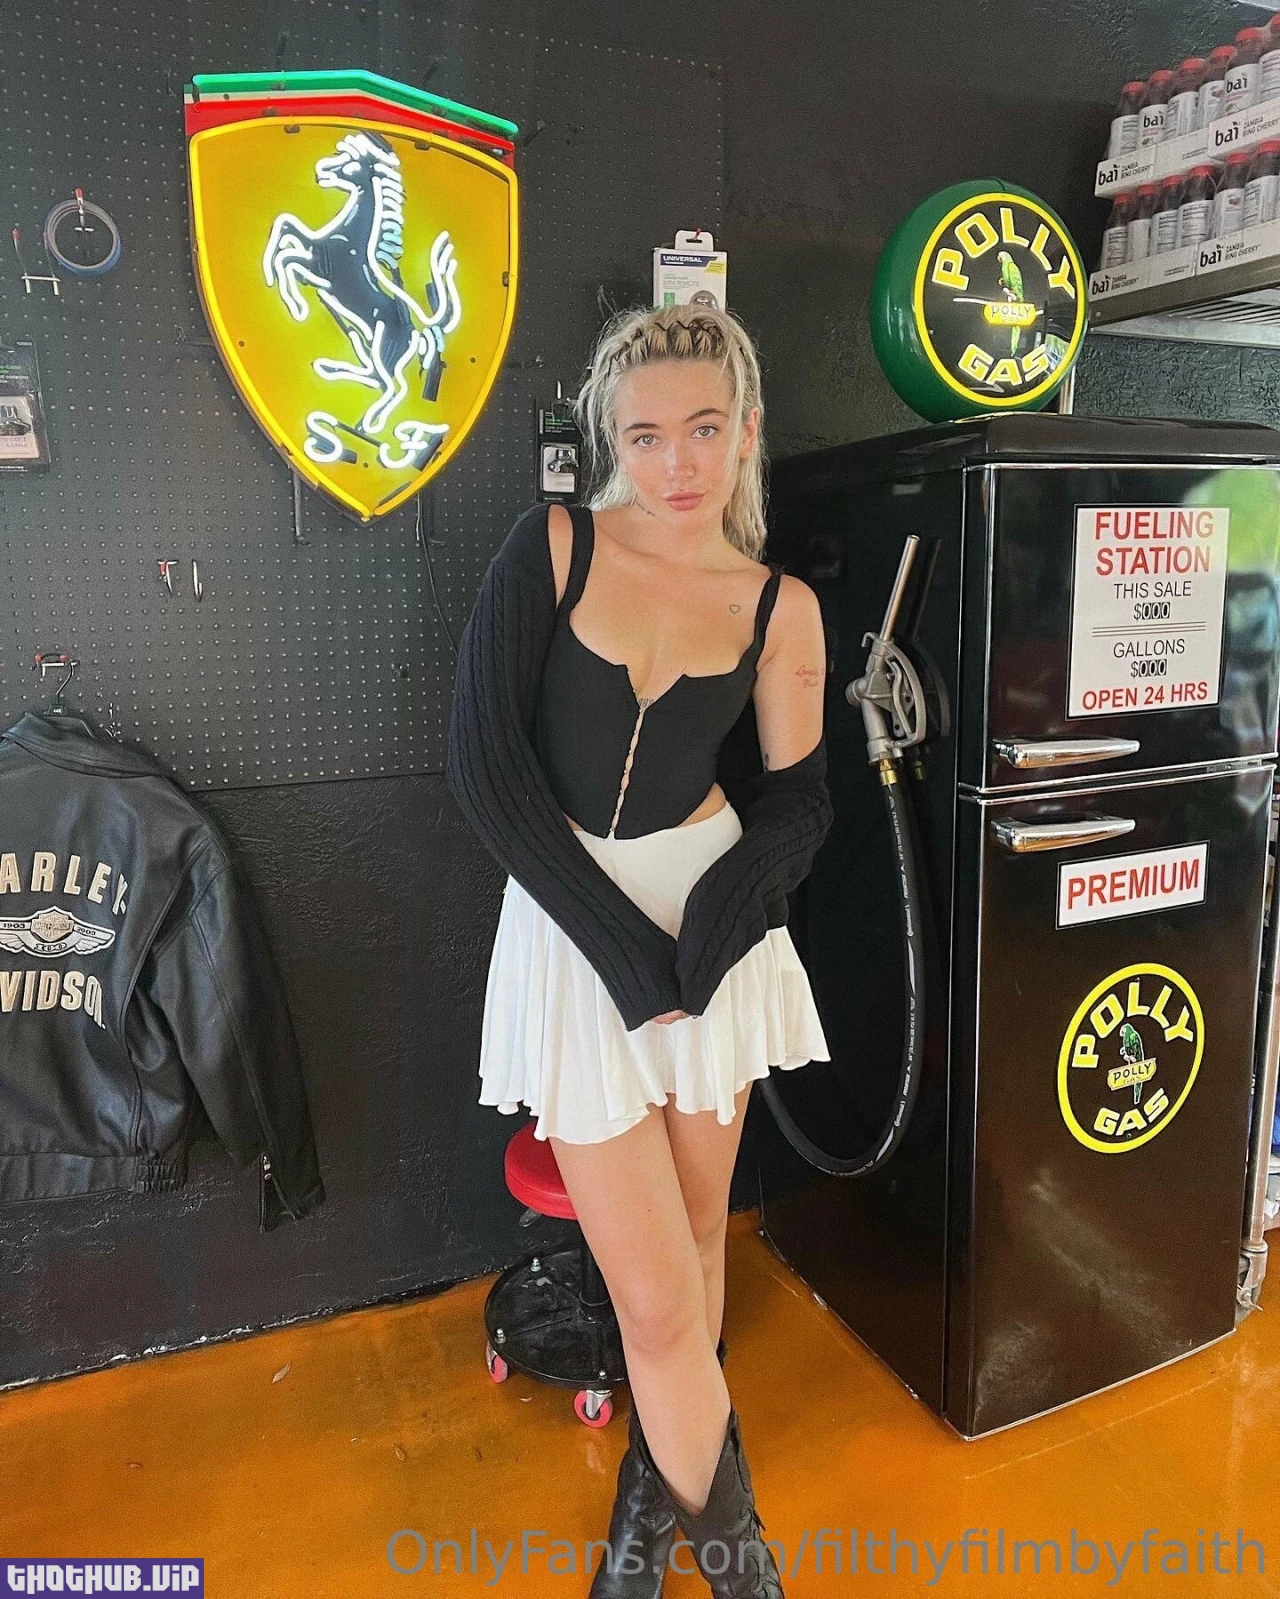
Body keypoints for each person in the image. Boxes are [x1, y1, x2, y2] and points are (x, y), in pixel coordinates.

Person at [446, 303, 834, 1598]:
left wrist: (727, 912)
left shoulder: (778, 606)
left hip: (712, 935)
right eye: (651, 435)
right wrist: (626, 955)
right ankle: (746, 1572)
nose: (679, 464)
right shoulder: (554, 546)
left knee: (700, 1250)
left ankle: (643, 1518)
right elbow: (485, 769)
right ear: (613, 436)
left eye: (706, 431)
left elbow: (801, 802)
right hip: (574, 939)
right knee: (660, 1304)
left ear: (747, 433)